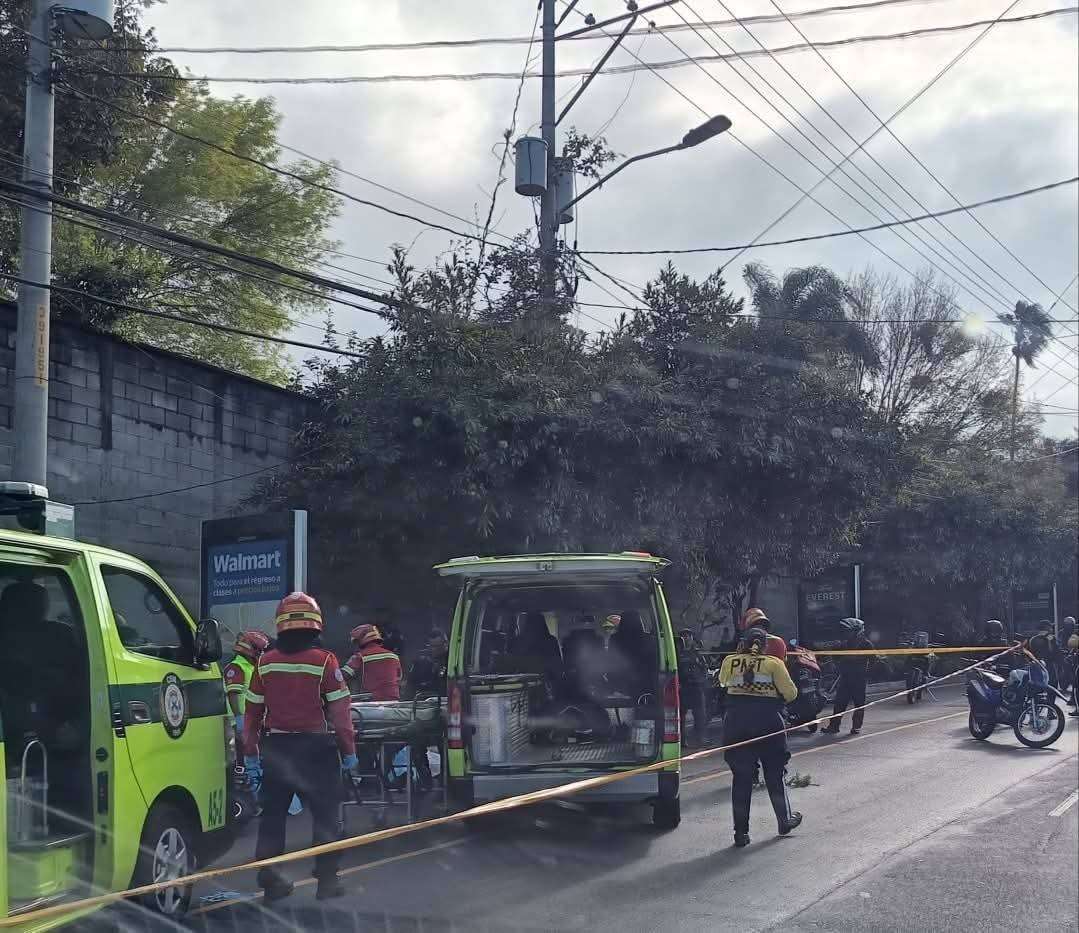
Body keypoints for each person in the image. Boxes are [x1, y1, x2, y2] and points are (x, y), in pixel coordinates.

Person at [242, 592, 357, 903]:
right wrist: (349, 754)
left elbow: (251, 715)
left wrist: (251, 755)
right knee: (325, 816)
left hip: (276, 748)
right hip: (316, 749)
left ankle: (271, 882)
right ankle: (327, 881)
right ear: (316, 624)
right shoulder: (325, 662)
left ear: (280, 624)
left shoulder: (264, 664)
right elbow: (341, 717)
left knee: (272, 818)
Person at [716, 626, 801, 848]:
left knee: (741, 779)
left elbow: (723, 684)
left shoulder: (729, 661)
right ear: (764, 645)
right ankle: (784, 821)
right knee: (774, 775)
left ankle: (740, 834)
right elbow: (791, 694)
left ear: (743, 643)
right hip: (768, 724)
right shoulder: (774, 663)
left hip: (735, 724)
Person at [821, 618, 874, 736]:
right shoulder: (844, 643)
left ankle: (856, 727)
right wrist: (835, 649)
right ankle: (833, 726)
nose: (846, 633)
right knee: (839, 703)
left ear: (857, 631)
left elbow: (873, 660)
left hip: (859, 679)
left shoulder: (866, 644)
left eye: (848, 631)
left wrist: (866, 673)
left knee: (859, 703)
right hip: (845, 677)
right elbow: (836, 658)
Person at [223, 630, 271, 739]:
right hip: (243, 721)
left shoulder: (252, 667)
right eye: (260, 650)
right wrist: (239, 719)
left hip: (253, 720)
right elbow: (233, 694)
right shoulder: (237, 666)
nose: (262, 653)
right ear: (252, 650)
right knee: (246, 754)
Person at [342, 624, 402, 700]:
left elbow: (343, 676)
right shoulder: (394, 656)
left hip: (370, 704)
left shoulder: (360, 656)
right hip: (393, 702)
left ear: (362, 639)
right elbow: (399, 679)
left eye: (356, 642)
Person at [676, 629, 710, 747]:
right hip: (682, 687)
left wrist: (702, 681)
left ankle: (700, 738)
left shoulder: (697, 652)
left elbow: (704, 667)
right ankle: (681, 740)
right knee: (680, 716)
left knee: (700, 715)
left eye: (688, 636)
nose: (686, 638)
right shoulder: (676, 653)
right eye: (684, 636)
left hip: (696, 687)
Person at [408, 628, 449, 699]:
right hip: (424, 699)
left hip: (445, 698)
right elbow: (411, 683)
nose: (434, 649)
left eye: (437, 646)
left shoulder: (452, 658)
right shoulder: (421, 660)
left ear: (446, 643)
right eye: (431, 646)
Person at [1026, 620, 1061, 689]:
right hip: (1049, 665)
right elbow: (1056, 652)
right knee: (1052, 685)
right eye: (1050, 627)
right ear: (1047, 627)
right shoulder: (1050, 637)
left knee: (1036, 684)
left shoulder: (1032, 638)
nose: (1052, 628)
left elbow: (1029, 653)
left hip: (1036, 665)